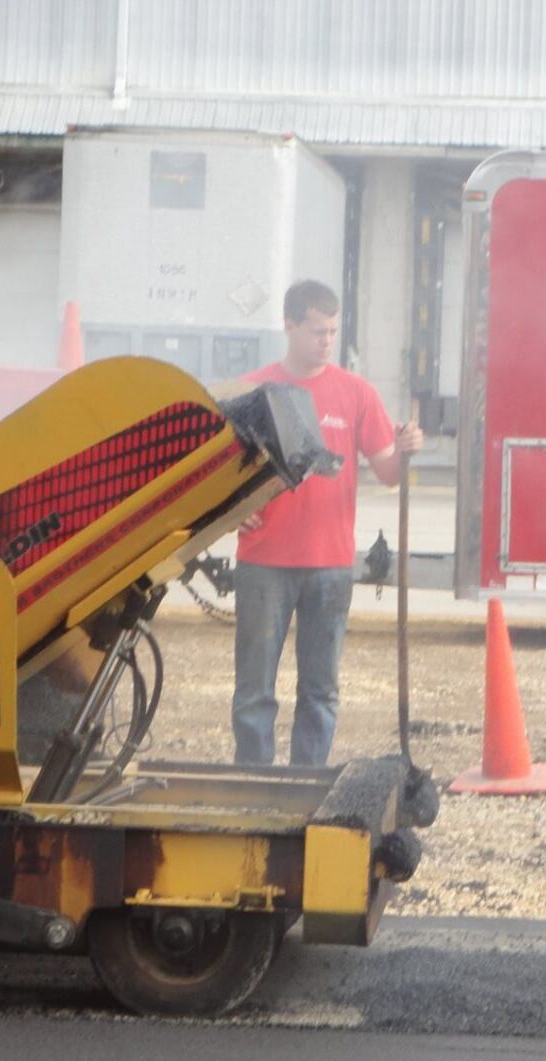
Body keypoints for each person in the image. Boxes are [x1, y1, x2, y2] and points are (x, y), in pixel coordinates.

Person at [230, 280, 422, 766]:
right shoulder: (254, 390)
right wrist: (236, 508)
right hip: (265, 562)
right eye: (317, 330)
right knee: (255, 691)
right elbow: (218, 475)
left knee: (320, 690)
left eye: (333, 331)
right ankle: (254, 782)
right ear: (289, 326)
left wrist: (403, 453)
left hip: (331, 566)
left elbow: (387, 473)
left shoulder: (356, 393)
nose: (326, 340)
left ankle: (307, 781)